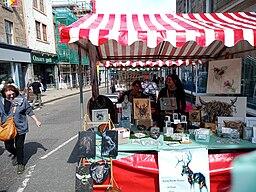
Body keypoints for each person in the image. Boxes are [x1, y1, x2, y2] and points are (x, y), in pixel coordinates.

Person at [0, 84, 42, 174]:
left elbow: (29, 110)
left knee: (19, 146)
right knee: (8, 147)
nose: (11, 96)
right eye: (9, 95)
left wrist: (36, 120)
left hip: (20, 127)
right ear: (4, 94)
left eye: (13, 94)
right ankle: (15, 154)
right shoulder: (1, 101)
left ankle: (20, 163)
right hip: (7, 128)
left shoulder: (22, 100)